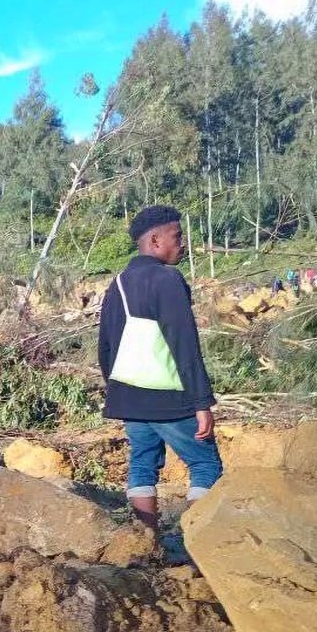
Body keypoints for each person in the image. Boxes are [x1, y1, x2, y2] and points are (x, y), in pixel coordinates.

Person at [98, 205, 223, 531]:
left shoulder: (118, 283)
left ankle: (146, 541)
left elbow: (105, 345)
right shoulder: (168, 279)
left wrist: (117, 391)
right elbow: (184, 344)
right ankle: (198, 543)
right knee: (205, 464)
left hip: (129, 396)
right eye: (177, 236)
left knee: (142, 464)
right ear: (155, 241)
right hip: (170, 398)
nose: (183, 243)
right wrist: (202, 403)